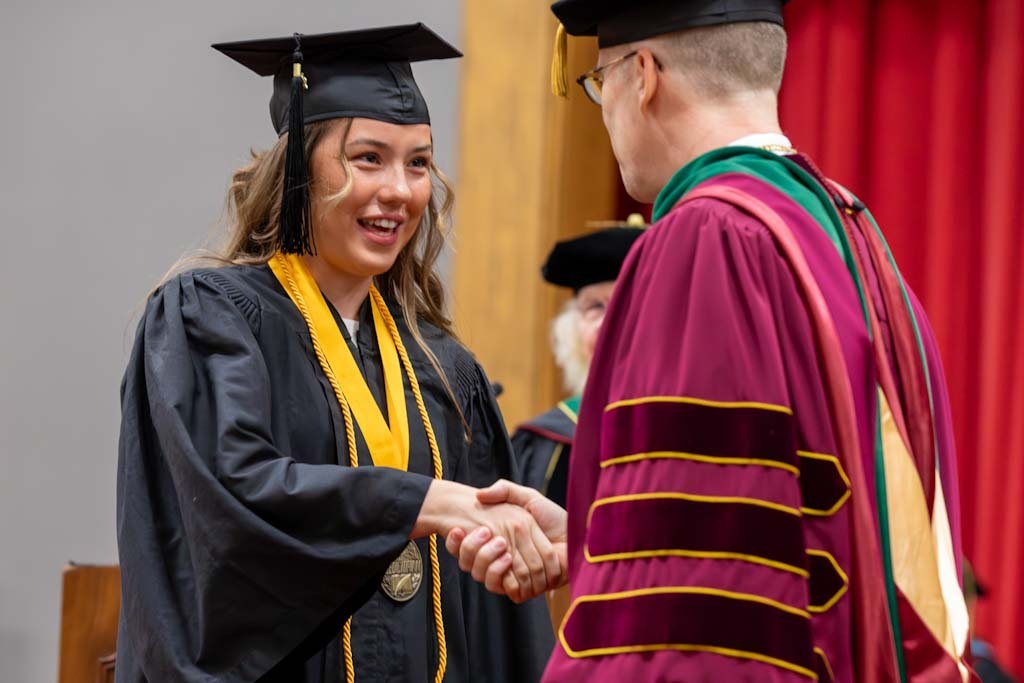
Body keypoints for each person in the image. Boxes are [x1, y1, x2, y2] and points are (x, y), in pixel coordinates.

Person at [448, 2, 975, 681]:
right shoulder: (846, 227)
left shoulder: (709, 239)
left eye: (598, 82)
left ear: (642, 76)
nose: (602, 108)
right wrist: (593, 537)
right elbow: (772, 513)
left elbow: (698, 604)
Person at [115, 24, 557, 683]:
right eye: (368, 158)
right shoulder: (212, 318)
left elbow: (490, 618)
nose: (401, 191)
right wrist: (428, 501)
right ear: (299, 170)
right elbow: (233, 497)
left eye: (417, 162)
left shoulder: (442, 366)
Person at [513, 217, 646, 507]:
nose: (609, 324)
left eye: (630, 304)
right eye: (595, 307)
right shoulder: (542, 442)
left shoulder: (690, 429)